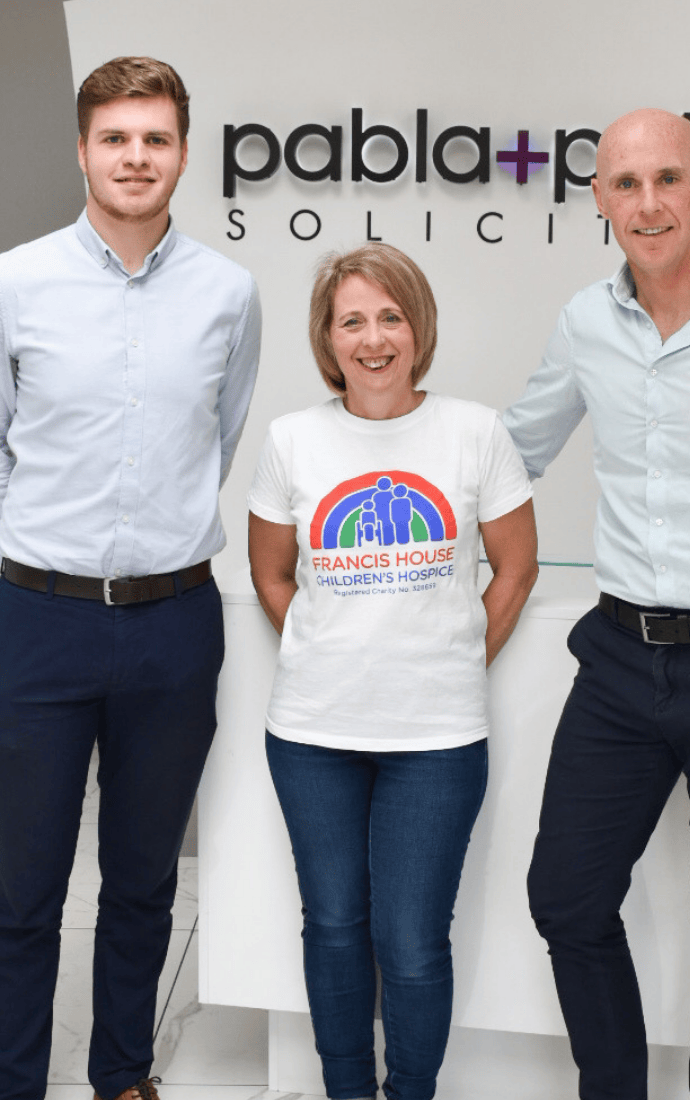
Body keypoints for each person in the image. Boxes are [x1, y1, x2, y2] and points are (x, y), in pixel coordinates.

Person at [503, 107, 690, 1100]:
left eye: (665, 179)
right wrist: (370, 482)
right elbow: (513, 450)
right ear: (597, 200)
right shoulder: (586, 323)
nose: (646, 202)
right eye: (624, 184)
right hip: (620, 662)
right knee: (565, 898)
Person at [0, 57, 261, 1100]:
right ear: (83, 149)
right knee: (22, 888)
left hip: (172, 620)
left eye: (155, 138)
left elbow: (220, 436)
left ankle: (121, 1073)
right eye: (116, 138)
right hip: (36, 616)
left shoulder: (227, 293)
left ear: (182, 153)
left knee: (145, 879)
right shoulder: (14, 281)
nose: (135, 156)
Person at [248, 242, 537, 1100]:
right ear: (327, 339)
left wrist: (455, 657)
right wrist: (320, 645)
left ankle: (410, 1092)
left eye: (391, 317)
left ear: (418, 329)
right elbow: (271, 572)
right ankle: (346, 1090)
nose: (373, 339)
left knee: (411, 941)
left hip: (438, 740)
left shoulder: (475, 432)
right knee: (333, 927)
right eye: (352, 322)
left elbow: (515, 568)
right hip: (310, 735)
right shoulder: (292, 440)